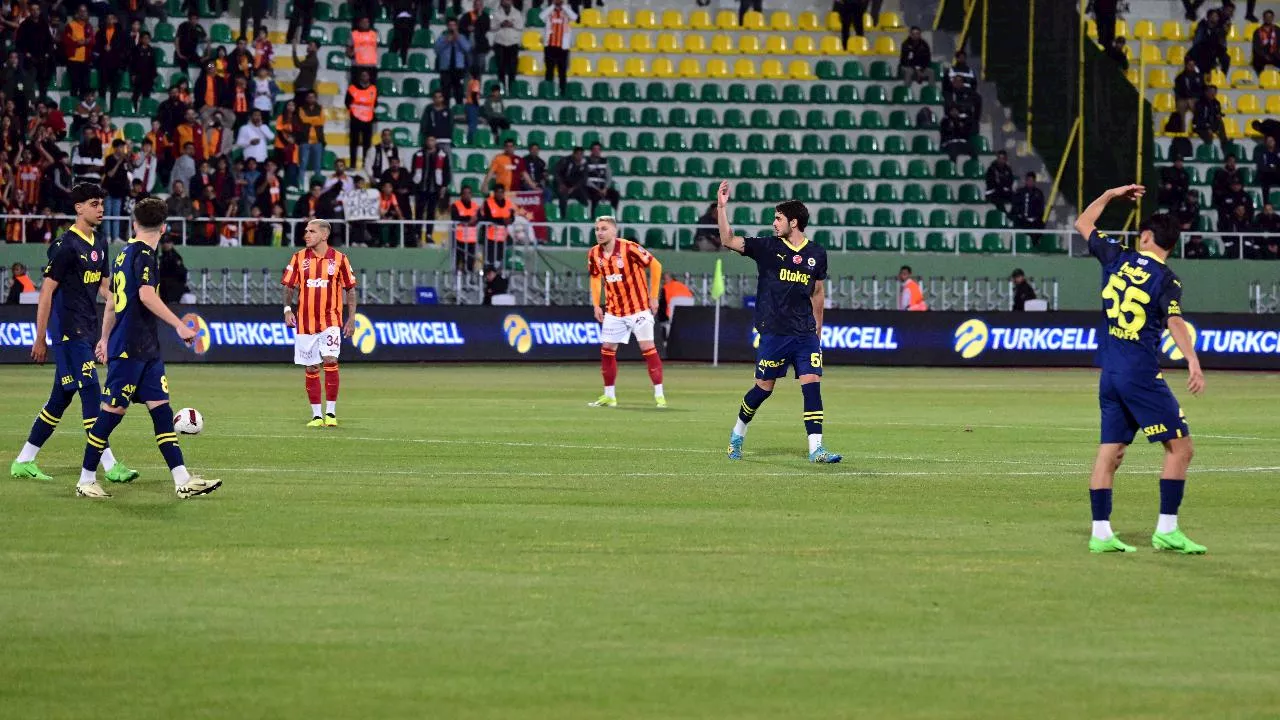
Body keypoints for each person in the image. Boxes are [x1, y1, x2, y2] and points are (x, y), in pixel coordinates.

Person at [1072, 184, 1205, 555]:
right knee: (1181, 448)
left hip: (1110, 374)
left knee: (1110, 452)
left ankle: (1100, 533)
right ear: (1170, 245)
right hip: (1141, 374)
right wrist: (1192, 359)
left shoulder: (1116, 255)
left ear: (1146, 236)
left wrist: (1112, 194)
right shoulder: (1167, 279)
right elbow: (1175, 323)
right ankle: (1167, 529)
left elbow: (1083, 221)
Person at [72, 198, 218, 499]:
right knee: (112, 414)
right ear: (164, 228)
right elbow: (146, 296)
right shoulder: (145, 256)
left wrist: (102, 338)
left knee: (162, 412)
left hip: (145, 349)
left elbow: (111, 302)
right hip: (129, 348)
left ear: (134, 223)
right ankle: (86, 479)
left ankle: (183, 480)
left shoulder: (123, 254)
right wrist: (179, 325)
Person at [10, 183, 137, 484]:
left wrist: (124, 302)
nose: (101, 209)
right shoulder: (65, 246)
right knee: (92, 392)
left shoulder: (100, 243)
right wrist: (40, 337)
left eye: (102, 204)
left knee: (60, 399)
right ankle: (109, 466)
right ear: (79, 208)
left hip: (87, 328)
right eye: (94, 204)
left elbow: (103, 286)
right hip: (68, 332)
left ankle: (24, 460)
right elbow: (46, 294)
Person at [712, 181, 839, 461]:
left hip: (804, 333)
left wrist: (818, 332)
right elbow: (728, 240)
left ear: (794, 222)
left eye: (778, 218)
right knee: (763, 389)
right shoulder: (767, 247)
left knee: (811, 382)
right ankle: (737, 434)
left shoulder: (817, 253)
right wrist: (722, 208)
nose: (774, 223)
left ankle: (816, 448)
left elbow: (818, 293)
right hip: (774, 333)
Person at [585, 216, 666, 409]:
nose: (599, 232)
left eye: (604, 228)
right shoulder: (594, 253)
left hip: (638, 309)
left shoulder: (629, 248)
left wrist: (653, 296)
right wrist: (597, 304)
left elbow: (656, 265)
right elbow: (595, 278)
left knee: (648, 348)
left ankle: (659, 395)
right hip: (614, 311)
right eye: (597, 229)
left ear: (614, 231)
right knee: (607, 350)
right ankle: (609, 396)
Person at [282, 220, 357, 427]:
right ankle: (316, 415)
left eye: (311, 231)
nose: (306, 234)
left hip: (330, 320)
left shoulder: (340, 259)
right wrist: (287, 310)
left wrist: (351, 318)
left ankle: (331, 413)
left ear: (324, 235)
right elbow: (288, 286)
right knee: (312, 366)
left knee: (331, 360)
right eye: (306, 231)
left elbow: (350, 288)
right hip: (305, 322)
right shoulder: (298, 258)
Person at [412, 135, 450, 245]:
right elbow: (414, 171)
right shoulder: (418, 154)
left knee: (431, 212)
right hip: (421, 188)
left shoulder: (442, 155)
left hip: (434, 189)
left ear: (436, 142)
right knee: (419, 212)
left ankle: (429, 234)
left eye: (433, 140)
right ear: (426, 141)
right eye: (428, 140)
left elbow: (446, 172)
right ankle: (418, 234)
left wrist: (444, 187)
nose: (430, 142)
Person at [540, 0, 577, 96]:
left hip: (563, 47)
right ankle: (548, 92)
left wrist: (563, 6)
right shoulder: (549, 11)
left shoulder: (566, 12)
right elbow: (541, 16)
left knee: (562, 72)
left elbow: (575, 17)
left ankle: (563, 93)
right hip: (550, 46)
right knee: (549, 71)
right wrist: (553, 5)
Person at [345, 70, 377, 170]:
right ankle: (352, 164)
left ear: (369, 77)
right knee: (353, 142)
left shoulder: (373, 89)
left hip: (368, 119)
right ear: (359, 77)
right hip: (355, 119)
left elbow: (375, 103)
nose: (364, 77)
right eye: (362, 75)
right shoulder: (352, 88)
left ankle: (365, 164)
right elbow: (347, 102)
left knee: (367, 143)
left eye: (366, 75)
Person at [435, 18, 471, 105]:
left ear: (457, 26)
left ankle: (459, 111)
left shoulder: (462, 37)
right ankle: (445, 111)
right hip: (445, 69)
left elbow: (467, 49)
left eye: (453, 25)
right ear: (447, 27)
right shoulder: (442, 38)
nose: (452, 27)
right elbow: (436, 50)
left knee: (459, 92)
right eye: (450, 25)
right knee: (445, 93)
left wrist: (457, 37)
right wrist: (446, 41)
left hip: (458, 69)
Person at [95, 12, 127, 109]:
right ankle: (101, 109)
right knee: (102, 89)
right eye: (108, 18)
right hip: (103, 63)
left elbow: (123, 49)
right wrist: (102, 48)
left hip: (115, 64)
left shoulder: (121, 33)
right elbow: (96, 47)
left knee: (114, 90)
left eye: (112, 18)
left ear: (115, 20)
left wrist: (112, 48)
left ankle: (113, 109)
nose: (110, 20)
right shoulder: (100, 32)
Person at [491, 0, 524, 93]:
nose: (506, 2)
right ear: (501, 2)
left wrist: (512, 24)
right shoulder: (496, 13)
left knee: (512, 68)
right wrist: (500, 24)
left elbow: (521, 26)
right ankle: (502, 89)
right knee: (500, 67)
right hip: (500, 43)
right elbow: (492, 27)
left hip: (513, 43)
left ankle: (512, 89)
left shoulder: (517, 13)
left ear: (512, 2)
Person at [62, 5, 94, 99]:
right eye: (81, 11)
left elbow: (92, 41)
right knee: (74, 84)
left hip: (86, 59)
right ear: (77, 13)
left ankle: (83, 106)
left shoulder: (89, 26)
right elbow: (66, 40)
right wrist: (77, 42)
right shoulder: (70, 25)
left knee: (85, 85)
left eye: (85, 11)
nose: (83, 13)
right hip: (73, 59)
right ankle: (74, 105)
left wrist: (86, 41)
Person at [481, 184, 514, 267]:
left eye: (501, 192)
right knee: (489, 261)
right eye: (498, 192)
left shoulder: (509, 203)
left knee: (500, 261)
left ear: (504, 193)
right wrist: (502, 220)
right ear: (494, 193)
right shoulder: (487, 202)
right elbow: (488, 218)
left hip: (502, 237)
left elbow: (512, 217)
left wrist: (510, 220)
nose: (499, 194)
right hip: (490, 237)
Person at [584, 142, 621, 214]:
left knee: (615, 194)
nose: (596, 151)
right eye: (595, 149)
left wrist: (605, 188)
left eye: (598, 149)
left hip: (603, 188)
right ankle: (593, 216)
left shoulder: (605, 161)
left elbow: (609, 176)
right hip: (590, 188)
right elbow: (585, 178)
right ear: (591, 151)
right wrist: (597, 189)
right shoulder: (585, 161)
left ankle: (613, 214)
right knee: (595, 196)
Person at [450, 184, 481, 271]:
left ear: (471, 195)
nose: (467, 195)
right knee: (457, 264)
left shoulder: (475, 206)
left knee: (470, 264)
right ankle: (456, 283)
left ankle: (469, 282)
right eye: (465, 193)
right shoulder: (455, 205)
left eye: (469, 193)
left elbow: (479, 218)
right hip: (458, 240)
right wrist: (469, 220)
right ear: (461, 195)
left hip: (471, 240)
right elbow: (455, 218)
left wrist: (470, 220)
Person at [458, 0, 491, 81]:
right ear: (473, 6)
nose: (478, 6)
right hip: (469, 47)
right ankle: (468, 88)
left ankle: (477, 88)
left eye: (480, 5)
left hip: (481, 47)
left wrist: (478, 19)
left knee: (479, 69)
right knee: (469, 67)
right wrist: (467, 28)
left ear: (482, 6)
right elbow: (460, 27)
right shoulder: (467, 15)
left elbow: (485, 28)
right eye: (476, 5)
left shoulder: (485, 16)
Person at [1193, 84, 1228, 159]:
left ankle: (1226, 151)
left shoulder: (1216, 103)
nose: (1213, 94)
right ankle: (1207, 154)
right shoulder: (1200, 103)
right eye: (1211, 92)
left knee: (1221, 125)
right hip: (1201, 126)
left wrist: (1219, 115)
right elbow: (1199, 118)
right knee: (1209, 136)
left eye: (1215, 92)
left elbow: (1216, 113)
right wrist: (1207, 127)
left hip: (1212, 124)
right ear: (1206, 92)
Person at [298, 90, 326, 181]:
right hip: (305, 140)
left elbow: (321, 121)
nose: (311, 99)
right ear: (306, 98)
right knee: (303, 164)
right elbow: (303, 120)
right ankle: (300, 185)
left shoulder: (320, 108)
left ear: (316, 98)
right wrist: (315, 119)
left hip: (318, 140)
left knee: (317, 165)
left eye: (313, 97)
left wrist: (309, 120)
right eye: (309, 97)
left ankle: (317, 184)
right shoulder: (301, 108)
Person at [555, 145, 589, 215]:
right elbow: (556, 172)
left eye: (581, 154)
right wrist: (561, 184)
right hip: (564, 185)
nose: (579, 156)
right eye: (578, 154)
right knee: (563, 198)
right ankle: (563, 217)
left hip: (576, 187)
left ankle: (583, 216)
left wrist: (573, 188)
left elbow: (583, 179)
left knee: (585, 200)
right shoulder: (565, 160)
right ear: (574, 154)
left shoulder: (584, 164)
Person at [347, 16, 379, 84]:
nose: (365, 24)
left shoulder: (374, 34)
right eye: (363, 22)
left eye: (367, 22)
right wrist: (351, 54)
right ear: (359, 23)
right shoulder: (354, 34)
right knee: (356, 88)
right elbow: (348, 50)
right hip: (358, 66)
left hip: (371, 66)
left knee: (371, 89)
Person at [157, 234, 188, 302]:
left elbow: (182, 272)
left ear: (171, 243)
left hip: (173, 289)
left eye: (167, 242)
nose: (165, 244)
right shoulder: (162, 257)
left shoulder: (174, 257)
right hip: (164, 289)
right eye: (163, 242)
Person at [1173, 57, 1203, 123]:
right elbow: (1178, 91)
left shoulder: (1199, 77)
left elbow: (1202, 90)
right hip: (1183, 99)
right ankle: (1182, 130)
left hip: (1196, 99)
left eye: (1193, 65)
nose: (1192, 67)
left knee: (1198, 105)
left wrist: (1193, 98)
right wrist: (1187, 99)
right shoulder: (1180, 77)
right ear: (1186, 65)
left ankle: (1198, 126)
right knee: (1181, 106)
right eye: (1190, 65)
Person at [1253, 10, 1278, 75]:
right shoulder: (1257, 31)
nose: (1268, 19)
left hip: (1274, 55)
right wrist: (1265, 55)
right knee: (1257, 62)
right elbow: (1256, 47)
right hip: (1261, 56)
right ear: (1263, 18)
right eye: (1266, 17)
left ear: (1273, 18)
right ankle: (1262, 80)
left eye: (1270, 17)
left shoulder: (1277, 30)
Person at [1257, 134, 1280, 203]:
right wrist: (1271, 167)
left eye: (1271, 140)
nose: (1270, 142)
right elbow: (1261, 166)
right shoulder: (1262, 153)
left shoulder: (1278, 152)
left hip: (1277, 174)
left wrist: (1274, 167)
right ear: (1266, 142)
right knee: (1265, 181)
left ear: (1275, 142)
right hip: (1267, 175)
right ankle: (1266, 203)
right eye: (1268, 141)